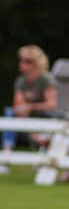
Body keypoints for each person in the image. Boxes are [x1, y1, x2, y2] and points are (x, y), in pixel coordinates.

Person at [2, 45, 59, 173]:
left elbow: (52, 104)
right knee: (11, 113)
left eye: (28, 61)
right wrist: (23, 108)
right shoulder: (21, 81)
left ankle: (37, 138)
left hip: (45, 116)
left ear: (37, 63)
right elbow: (18, 104)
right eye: (22, 60)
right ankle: (6, 157)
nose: (22, 64)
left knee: (15, 113)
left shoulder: (46, 79)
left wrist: (31, 106)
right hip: (26, 117)